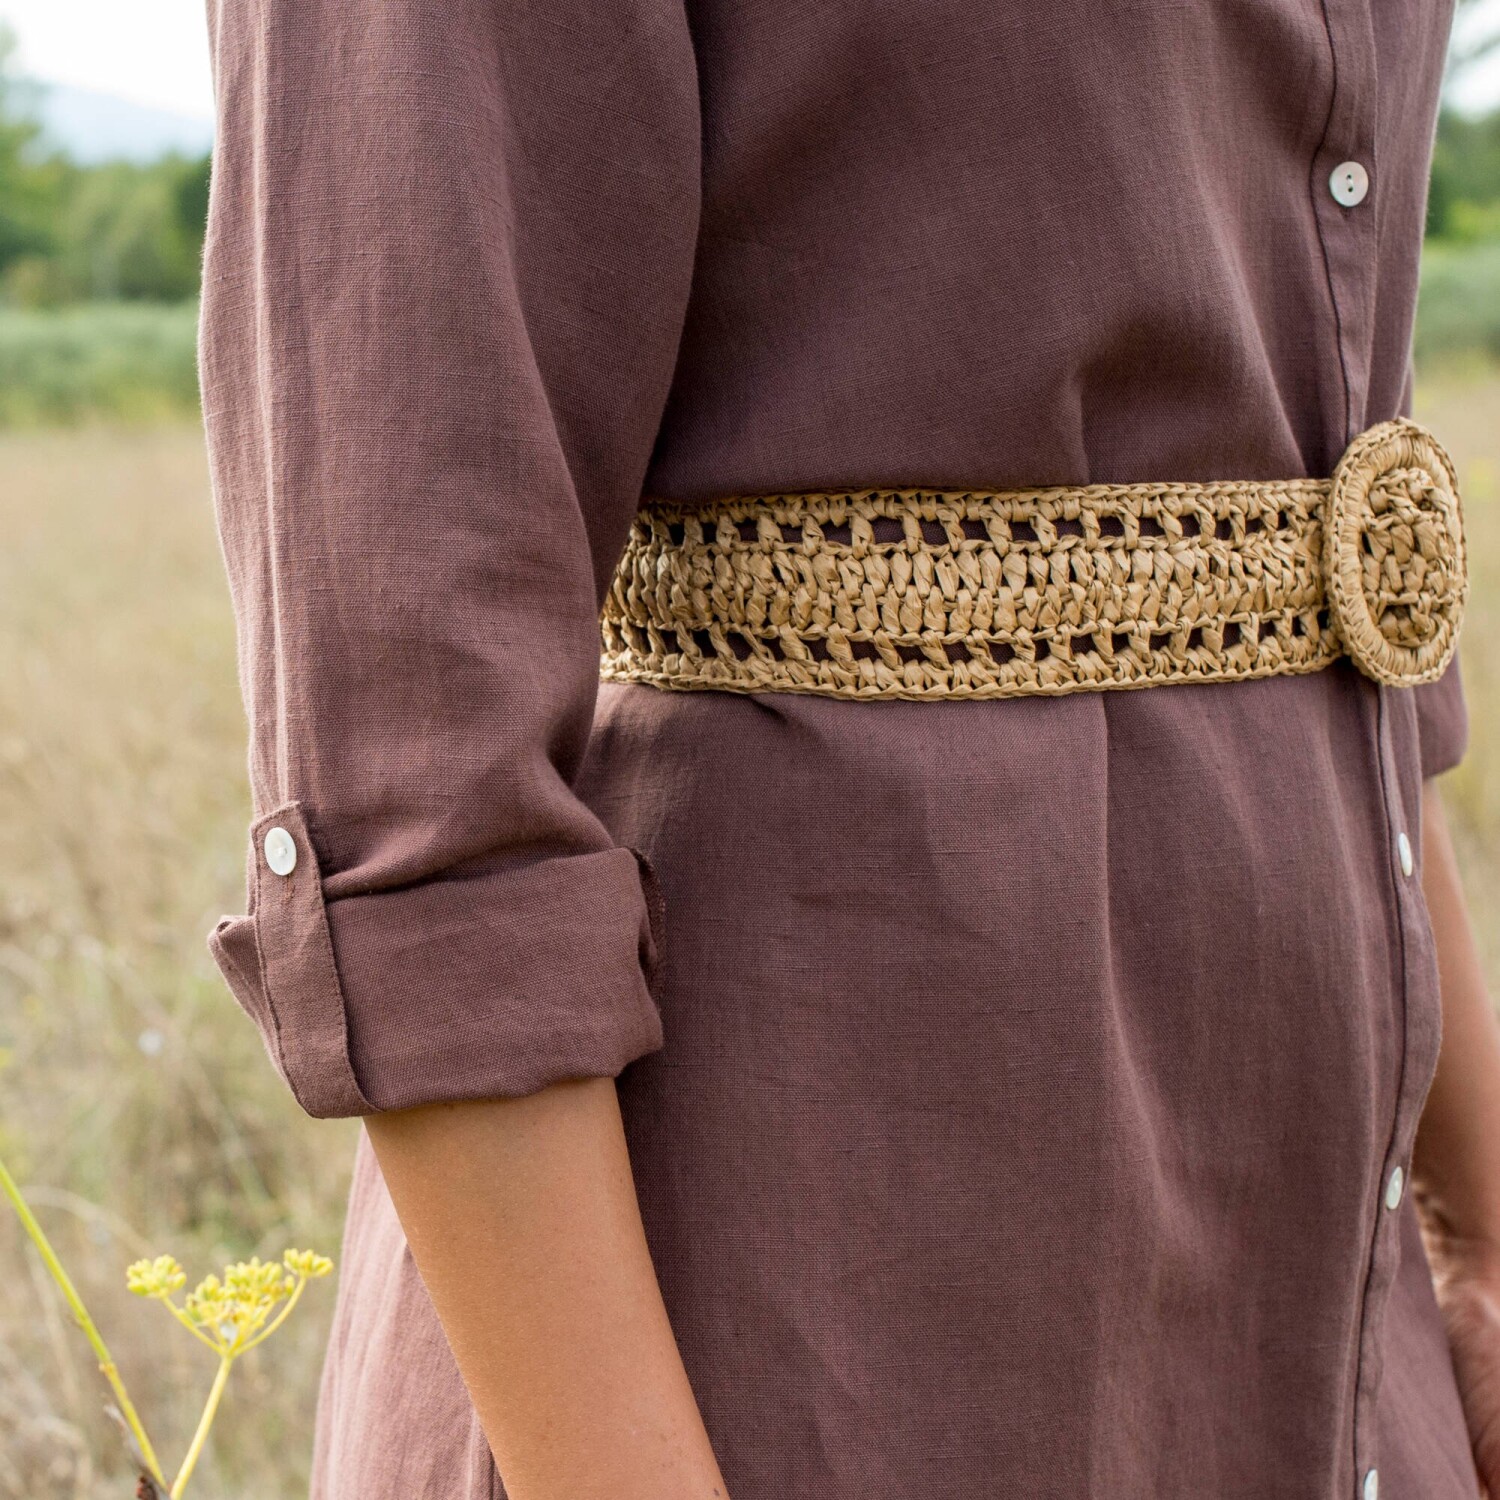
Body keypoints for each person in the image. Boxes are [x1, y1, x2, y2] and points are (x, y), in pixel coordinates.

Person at [196, 0, 1500, 1496]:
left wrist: (1480, 1244)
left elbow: (1329, 568)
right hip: (812, 1308)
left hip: (1346, 1304)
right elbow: (416, 769)